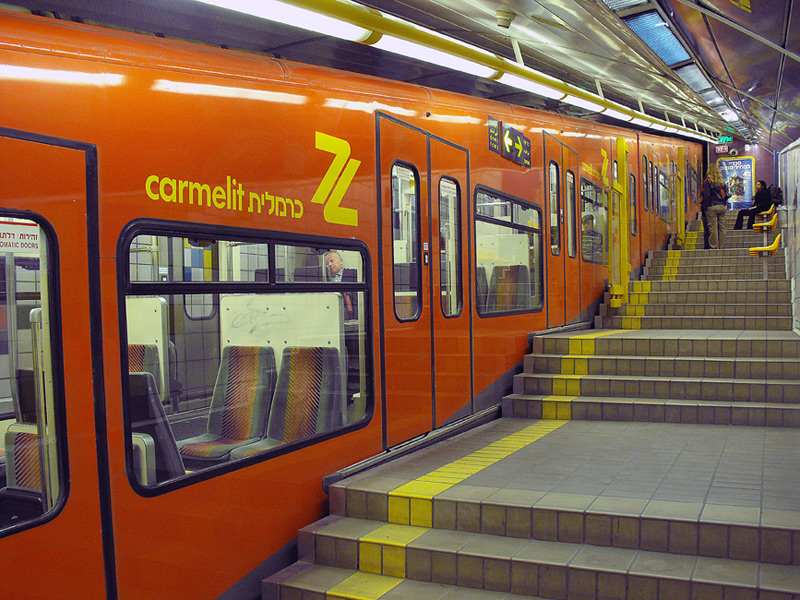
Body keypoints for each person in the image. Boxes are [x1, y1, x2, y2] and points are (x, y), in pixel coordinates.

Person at [325, 250, 357, 320]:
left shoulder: (353, 274)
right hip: (330, 311)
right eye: (327, 263)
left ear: (341, 261)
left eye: (332, 261)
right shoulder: (325, 278)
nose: (329, 265)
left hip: (349, 311)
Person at [701, 164, 728, 249]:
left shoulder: (708, 181)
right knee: (722, 228)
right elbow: (726, 194)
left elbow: (707, 195)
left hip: (712, 206)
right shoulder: (722, 182)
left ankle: (714, 246)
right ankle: (722, 246)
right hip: (721, 206)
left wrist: (705, 207)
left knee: (713, 227)